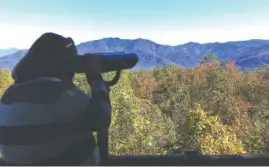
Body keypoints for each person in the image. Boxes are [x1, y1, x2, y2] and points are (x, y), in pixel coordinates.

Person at [0, 32, 111, 165]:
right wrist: (95, 78)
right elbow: (101, 118)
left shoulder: (11, 92)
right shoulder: (54, 90)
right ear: (65, 62)